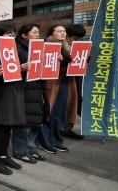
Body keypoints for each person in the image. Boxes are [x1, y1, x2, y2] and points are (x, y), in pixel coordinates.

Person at [0, 24, 27, 175]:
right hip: (0, 95)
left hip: (13, 92)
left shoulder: (11, 51)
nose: (12, 37)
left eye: (13, 34)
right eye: (8, 34)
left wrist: (21, 69)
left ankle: (3, 155)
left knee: (7, 127)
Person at [11, 24, 48, 164]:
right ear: (24, 35)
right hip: (24, 90)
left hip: (38, 88)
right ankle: (20, 151)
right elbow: (11, 70)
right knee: (23, 124)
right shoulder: (17, 49)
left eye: (38, 32)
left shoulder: (39, 49)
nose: (38, 35)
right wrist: (21, 68)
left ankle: (32, 149)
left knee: (35, 122)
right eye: (34, 32)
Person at [37, 25, 74, 154]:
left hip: (63, 82)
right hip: (50, 83)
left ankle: (56, 140)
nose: (63, 33)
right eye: (59, 31)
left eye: (64, 31)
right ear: (51, 34)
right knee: (48, 113)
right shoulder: (45, 46)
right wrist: (61, 64)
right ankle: (44, 141)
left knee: (59, 113)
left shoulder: (67, 47)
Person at [60, 24, 86, 140]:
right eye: (75, 39)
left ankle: (66, 128)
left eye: (79, 39)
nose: (77, 41)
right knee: (68, 104)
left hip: (75, 79)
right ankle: (63, 129)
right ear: (67, 35)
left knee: (75, 104)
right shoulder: (59, 46)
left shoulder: (76, 47)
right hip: (64, 80)